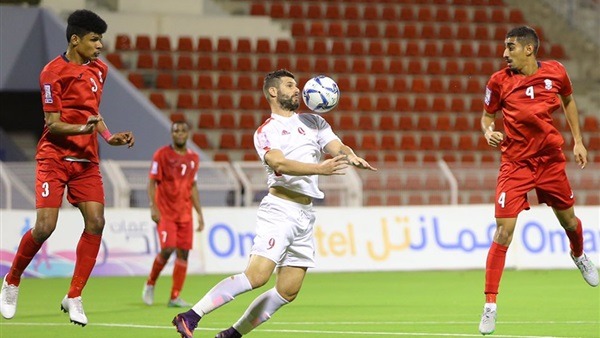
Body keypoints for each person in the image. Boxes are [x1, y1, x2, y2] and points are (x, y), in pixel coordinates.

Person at [172, 69, 377, 338]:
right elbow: (279, 162)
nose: (297, 90)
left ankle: (232, 334)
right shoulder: (266, 131)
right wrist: (319, 169)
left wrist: (351, 156)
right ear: (273, 92)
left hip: (305, 214)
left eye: (296, 85)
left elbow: (337, 147)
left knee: (288, 290)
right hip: (280, 210)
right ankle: (190, 316)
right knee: (256, 277)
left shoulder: (315, 122)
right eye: (290, 85)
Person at [0, 9, 135, 327]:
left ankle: (74, 295)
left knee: (97, 221)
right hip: (54, 159)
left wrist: (108, 136)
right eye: (94, 39)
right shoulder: (51, 73)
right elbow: (54, 124)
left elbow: (93, 113)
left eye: (100, 39)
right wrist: (85, 130)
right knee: (45, 227)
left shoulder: (100, 70)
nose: (100, 45)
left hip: (86, 161)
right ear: (75, 40)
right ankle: (13, 281)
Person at [478, 26, 598, 335]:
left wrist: (578, 141)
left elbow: (568, 100)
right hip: (515, 164)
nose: (505, 53)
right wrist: (488, 132)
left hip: (549, 162)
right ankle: (490, 305)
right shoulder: (498, 81)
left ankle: (579, 255)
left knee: (569, 222)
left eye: (511, 47)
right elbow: (486, 117)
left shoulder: (556, 72)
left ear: (529, 49)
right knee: (503, 232)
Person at [143, 120, 205, 307]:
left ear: (188, 134)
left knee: (183, 254)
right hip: (166, 211)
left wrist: (199, 213)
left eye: (183, 130)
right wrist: (153, 206)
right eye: (176, 130)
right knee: (168, 248)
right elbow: (152, 182)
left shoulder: (194, 158)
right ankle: (150, 283)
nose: (179, 133)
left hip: (185, 213)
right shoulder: (161, 155)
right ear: (172, 134)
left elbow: (193, 186)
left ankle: (174, 296)